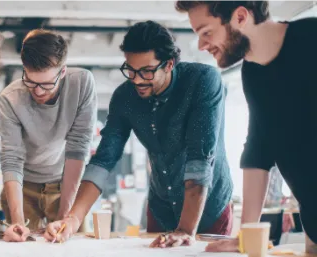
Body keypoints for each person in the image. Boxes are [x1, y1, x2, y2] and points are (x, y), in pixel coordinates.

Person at [44, 21, 233, 248]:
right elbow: (104, 160)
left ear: (169, 64)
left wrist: (185, 230)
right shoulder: (125, 98)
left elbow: (199, 160)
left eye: (146, 71)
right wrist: (72, 220)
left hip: (208, 208)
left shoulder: (202, 81)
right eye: (131, 70)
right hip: (161, 207)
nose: (137, 80)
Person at [175, 0, 317, 254]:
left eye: (206, 32)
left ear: (240, 17)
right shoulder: (253, 73)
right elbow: (258, 150)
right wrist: (245, 234)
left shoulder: (311, 37)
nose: (201, 45)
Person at [0, 29, 97, 242]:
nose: (39, 91)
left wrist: (65, 217)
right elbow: (11, 158)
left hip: (65, 184)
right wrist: (17, 222)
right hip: (23, 188)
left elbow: (78, 148)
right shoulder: (10, 99)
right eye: (31, 82)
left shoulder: (82, 84)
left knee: (71, 245)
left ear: (62, 72)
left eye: (46, 84)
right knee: (21, 246)